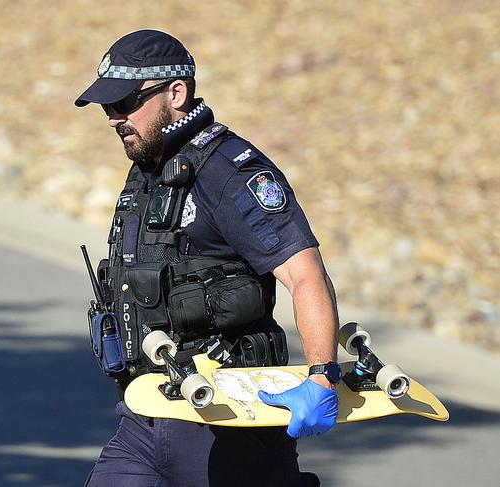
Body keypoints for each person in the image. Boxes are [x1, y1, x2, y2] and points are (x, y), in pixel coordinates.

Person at [75, 29, 340, 487]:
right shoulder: (151, 168)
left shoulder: (229, 172)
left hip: (229, 423)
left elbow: (304, 272)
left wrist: (321, 375)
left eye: (125, 103)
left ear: (175, 92)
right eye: (108, 108)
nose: (115, 118)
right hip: (147, 413)